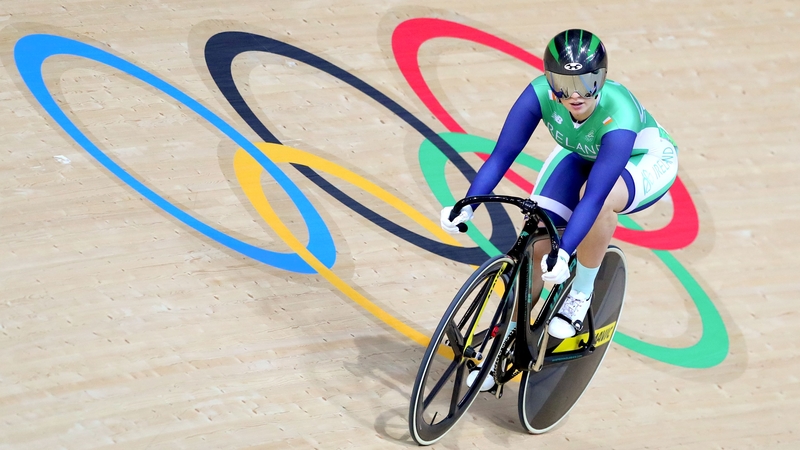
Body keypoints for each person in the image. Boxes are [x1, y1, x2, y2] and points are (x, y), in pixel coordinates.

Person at [441, 29, 678, 343]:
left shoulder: (620, 113)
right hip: (582, 152)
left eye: (587, 83)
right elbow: (501, 156)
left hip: (643, 159)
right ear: (549, 80)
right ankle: (508, 338)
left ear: (602, 78)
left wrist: (565, 253)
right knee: (537, 240)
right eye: (564, 85)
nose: (575, 95)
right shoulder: (538, 94)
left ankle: (581, 293)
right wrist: (468, 205)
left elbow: (593, 198)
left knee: (599, 202)